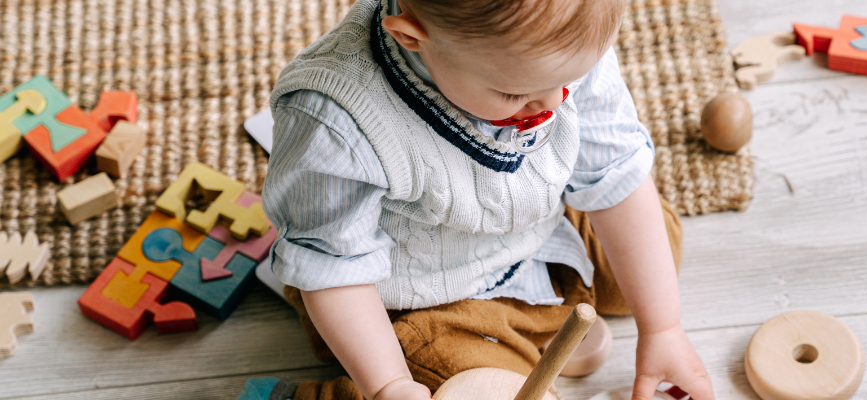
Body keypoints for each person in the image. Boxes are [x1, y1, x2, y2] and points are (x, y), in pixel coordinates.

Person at [244, 0, 715, 399]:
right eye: (515, 92)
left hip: (539, 225)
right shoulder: (335, 118)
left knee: (657, 248)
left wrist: (663, 329)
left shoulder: (560, 47)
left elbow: (614, 172)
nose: (553, 103)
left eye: (572, 79)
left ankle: (548, 312)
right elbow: (333, 270)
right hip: (426, 297)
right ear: (412, 37)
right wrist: (388, 385)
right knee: (463, 380)